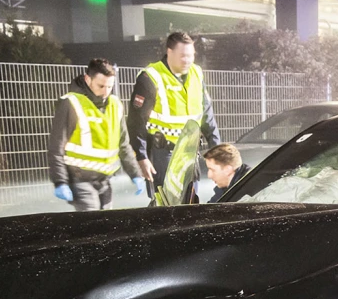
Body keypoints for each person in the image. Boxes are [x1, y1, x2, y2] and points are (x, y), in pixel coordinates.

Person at [127, 31, 221, 196]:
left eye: (191, 55)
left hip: (190, 152)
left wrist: (217, 149)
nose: (188, 60)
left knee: (191, 204)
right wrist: (141, 157)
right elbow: (136, 122)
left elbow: (207, 114)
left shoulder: (196, 73)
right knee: (166, 207)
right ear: (169, 52)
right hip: (163, 153)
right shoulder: (151, 77)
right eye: (183, 56)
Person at [48, 58, 145, 211]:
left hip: (104, 181)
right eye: (101, 86)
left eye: (110, 86)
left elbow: (123, 144)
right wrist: (60, 182)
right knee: (93, 226)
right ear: (88, 79)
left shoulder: (115, 105)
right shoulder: (70, 103)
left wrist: (136, 174)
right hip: (79, 180)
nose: (105, 91)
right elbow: (56, 147)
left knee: (106, 227)